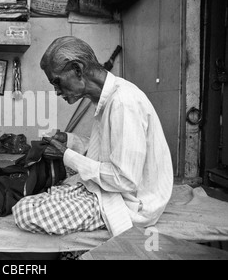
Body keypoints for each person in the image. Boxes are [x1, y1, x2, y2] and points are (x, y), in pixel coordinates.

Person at [13, 36, 174, 238]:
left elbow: (123, 179)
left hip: (128, 203)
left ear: (78, 69)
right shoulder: (107, 100)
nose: (56, 91)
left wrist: (67, 155)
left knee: (25, 212)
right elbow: (107, 153)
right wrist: (69, 140)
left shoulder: (123, 102)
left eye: (57, 82)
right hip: (107, 191)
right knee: (31, 200)